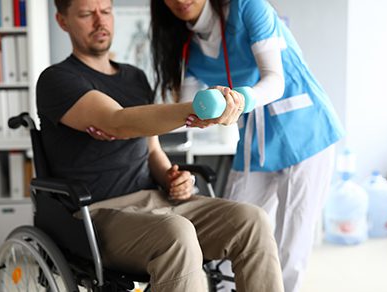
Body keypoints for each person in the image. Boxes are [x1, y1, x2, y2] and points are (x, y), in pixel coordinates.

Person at [37, 0, 285, 291]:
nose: (99, 21)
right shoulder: (57, 80)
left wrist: (172, 176)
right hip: (98, 216)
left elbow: (151, 150)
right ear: (63, 21)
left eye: (105, 11)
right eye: (86, 14)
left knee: (251, 220)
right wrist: (194, 109)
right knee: (176, 233)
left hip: (157, 203)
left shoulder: (135, 78)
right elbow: (117, 121)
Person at [149, 0, 345, 291]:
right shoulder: (188, 44)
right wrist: (134, 122)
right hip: (255, 140)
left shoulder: (248, 7)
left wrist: (240, 101)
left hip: (305, 132)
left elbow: (275, 81)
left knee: (289, 249)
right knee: (230, 228)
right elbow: (187, 111)